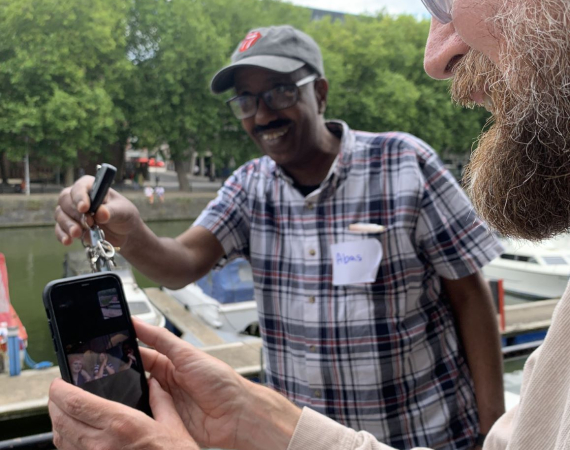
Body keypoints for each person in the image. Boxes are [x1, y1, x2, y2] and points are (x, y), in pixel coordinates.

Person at [52, 26, 505, 449]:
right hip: (300, 439)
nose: (263, 113)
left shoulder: (404, 162)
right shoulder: (249, 187)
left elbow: (470, 296)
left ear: (320, 93)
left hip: (423, 437)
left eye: (280, 92)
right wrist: (129, 230)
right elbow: (180, 263)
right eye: (246, 100)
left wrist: (495, 432)